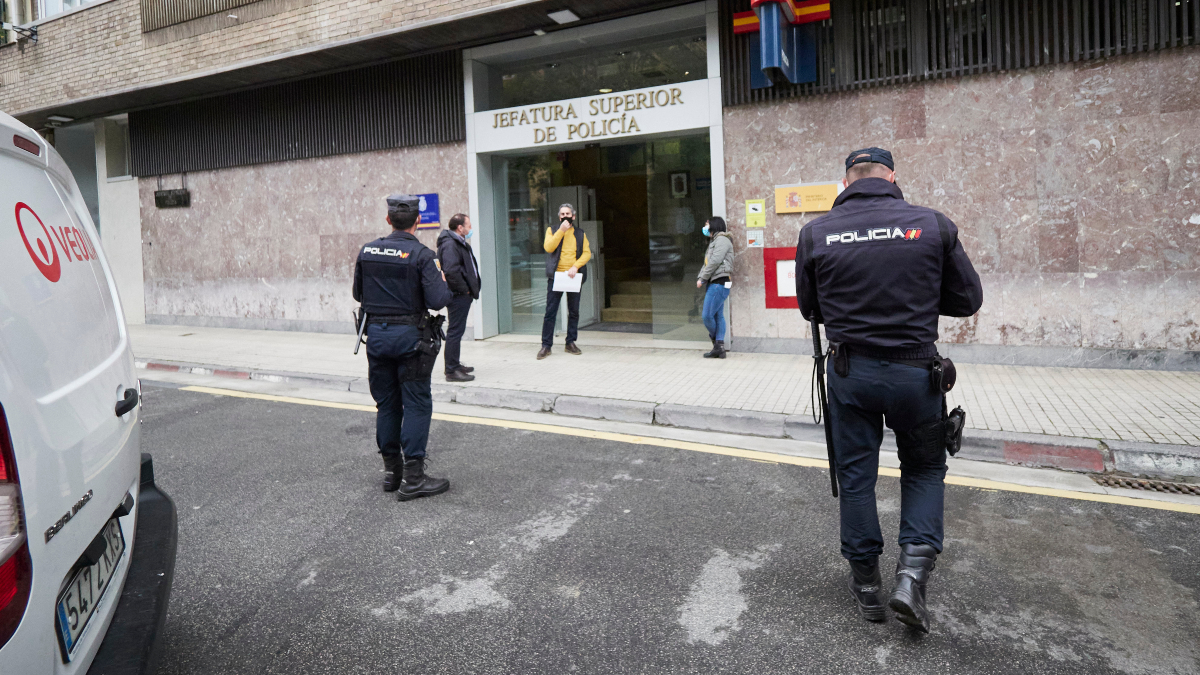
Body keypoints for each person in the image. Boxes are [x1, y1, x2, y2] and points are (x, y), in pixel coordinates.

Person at [795, 147, 983, 632]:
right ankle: (911, 577)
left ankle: (866, 586)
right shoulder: (932, 224)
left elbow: (809, 308)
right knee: (922, 470)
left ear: (846, 181)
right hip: (916, 376)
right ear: (892, 176)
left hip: (850, 374)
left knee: (856, 474)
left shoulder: (816, 233)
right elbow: (967, 299)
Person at [353, 194, 454, 502]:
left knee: (387, 405)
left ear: (388, 220)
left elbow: (358, 294)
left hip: (377, 340)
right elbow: (439, 300)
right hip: (411, 340)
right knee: (417, 404)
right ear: (418, 221)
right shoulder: (422, 255)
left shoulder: (367, 251)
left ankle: (391, 473)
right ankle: (413, 478)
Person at [537, 203, 591, 360]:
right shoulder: (552, 230)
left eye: (568, 214)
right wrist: (561, 230)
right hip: (556, 277)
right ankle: (546, 346)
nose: (565, 216)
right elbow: (548, 247)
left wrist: (576, 266)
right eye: (562, 214)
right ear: (559, 216)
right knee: (550, 311)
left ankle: (570, 342)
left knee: (573, 311)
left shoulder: (580, 233)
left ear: (573, 216)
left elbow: (586, 253)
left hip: (573, 277)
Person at [437, 213, 480, 383]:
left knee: (457, 330)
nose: (470, 229)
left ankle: (454, 364)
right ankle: (451, 370)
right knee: (455, 331)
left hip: (462, 294)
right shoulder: (450, 244)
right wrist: (465, 290)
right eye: (468, 225)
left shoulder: (458, 242)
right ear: (460, 228)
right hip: (458, 295)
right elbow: (451, 272)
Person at [696, 216, 733, 359]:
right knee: (718, 315)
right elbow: (707, 263)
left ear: (714, 225)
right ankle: (720, 348)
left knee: (707, 316)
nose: (705, 227)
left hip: (720, 282)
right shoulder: (714, 242)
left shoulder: (722, 240)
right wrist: (701, 277)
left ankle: (717, 342)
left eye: (707, 224)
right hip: (715, 282)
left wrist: (703, 278)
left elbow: (715, 261)